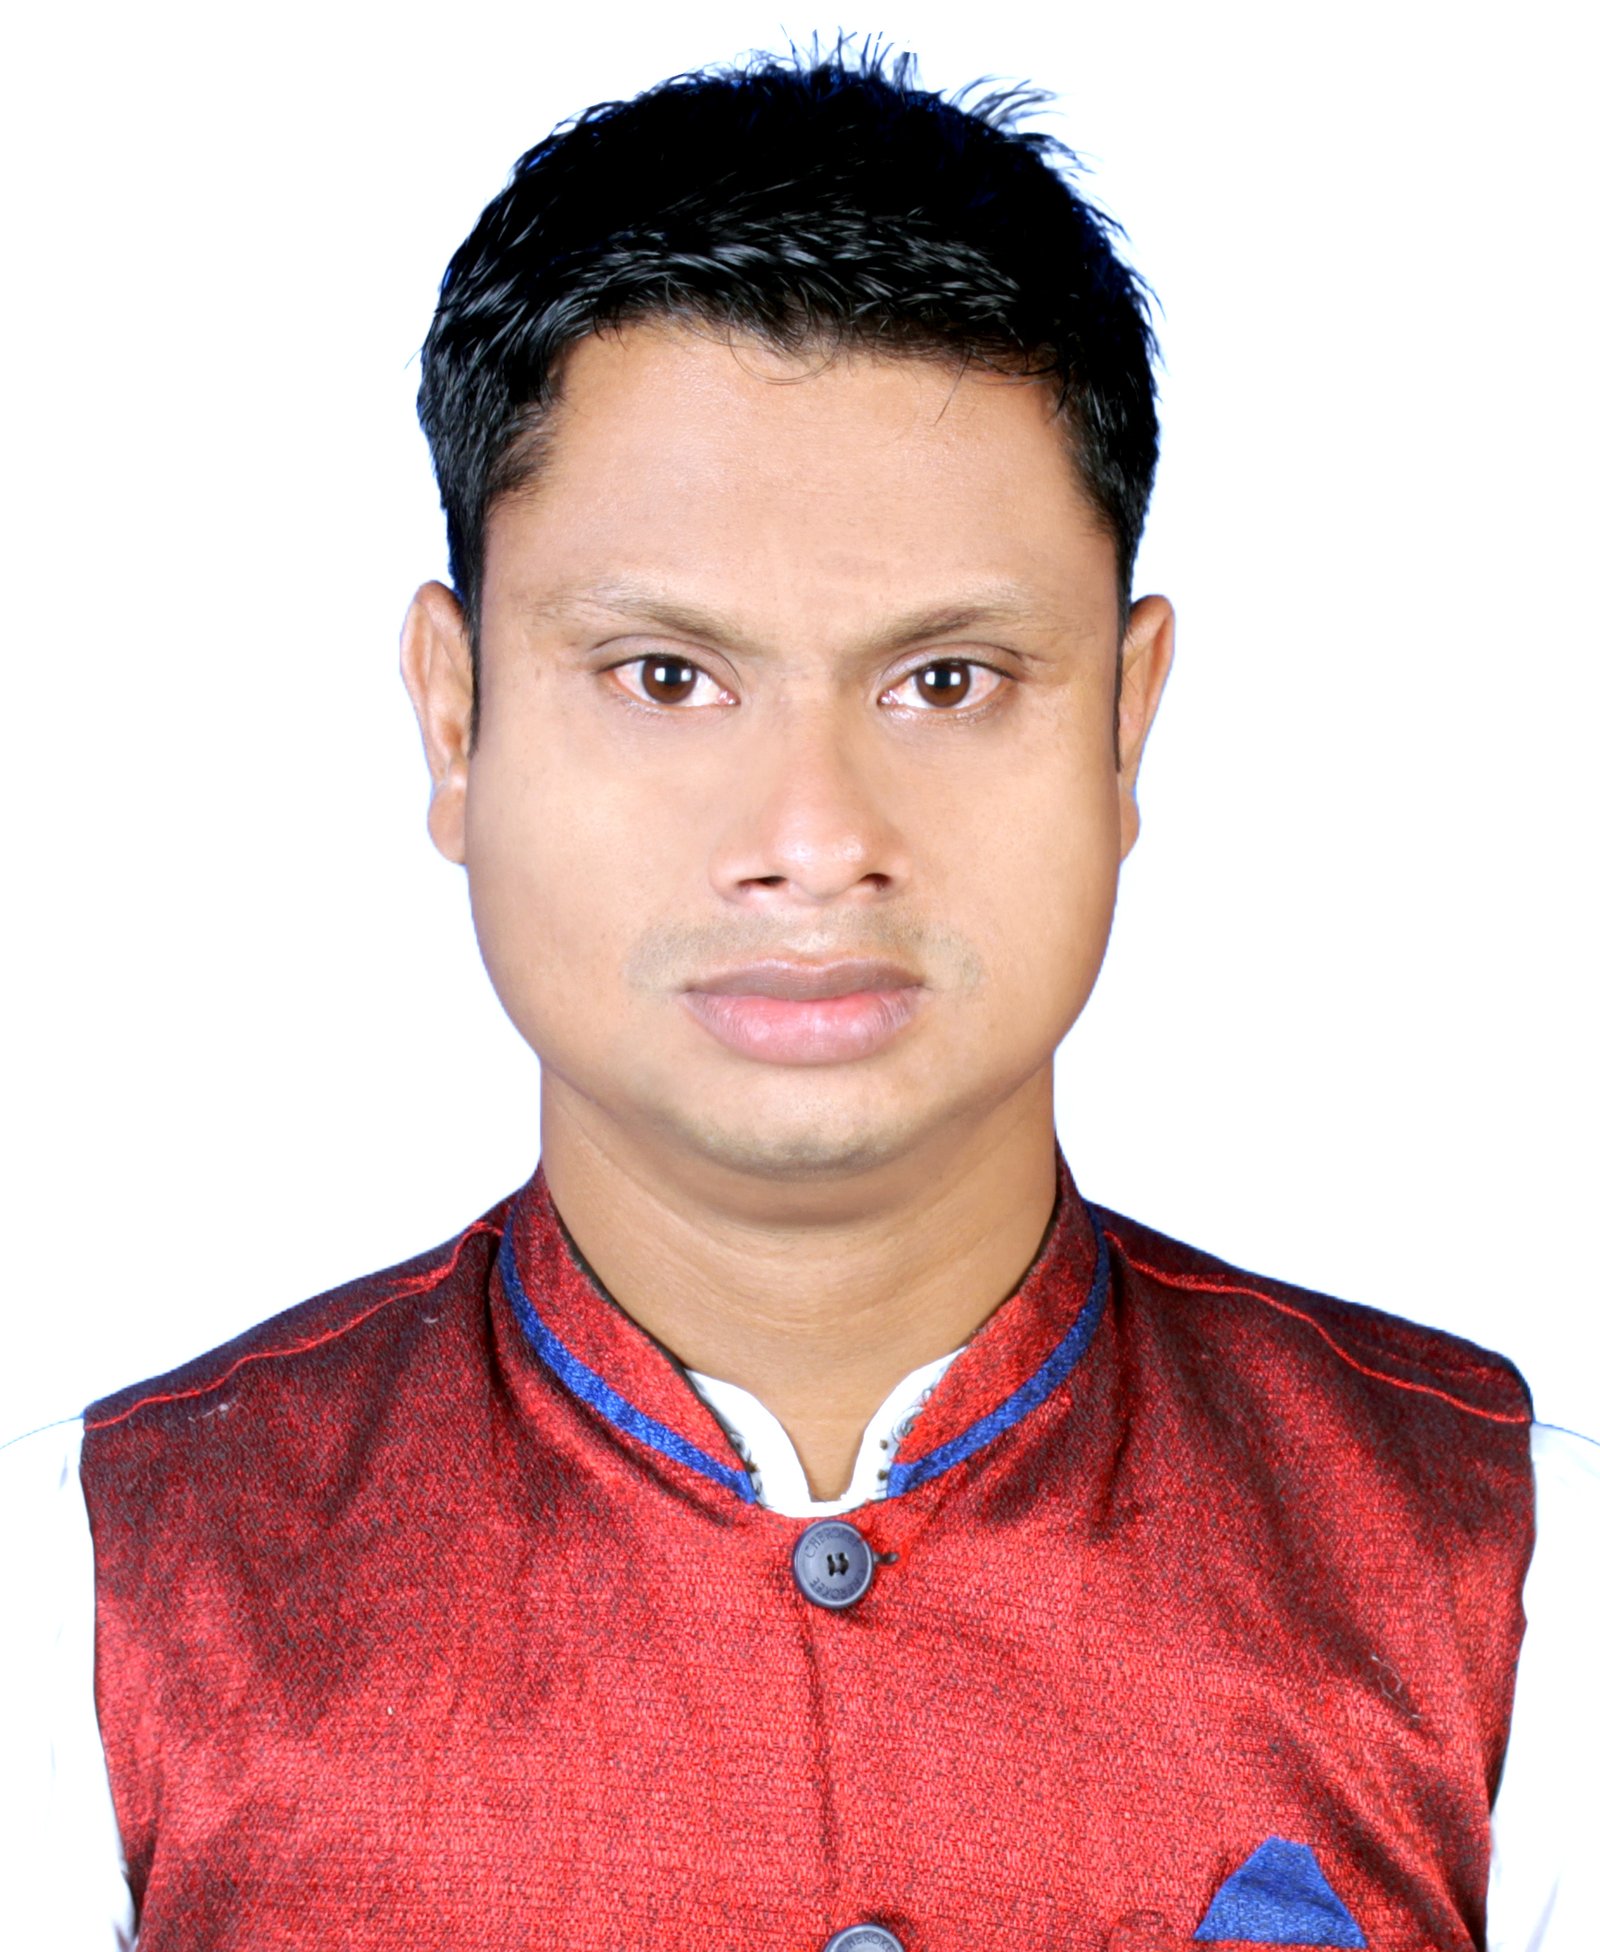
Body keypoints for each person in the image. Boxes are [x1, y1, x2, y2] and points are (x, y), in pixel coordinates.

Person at [3, 30, 1594, 1952]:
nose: (816, 837)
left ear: (1126, 723)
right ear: (453, 716)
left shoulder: (1518, 1588)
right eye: (668, 678)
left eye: (946, 682)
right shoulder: (88, 1611)